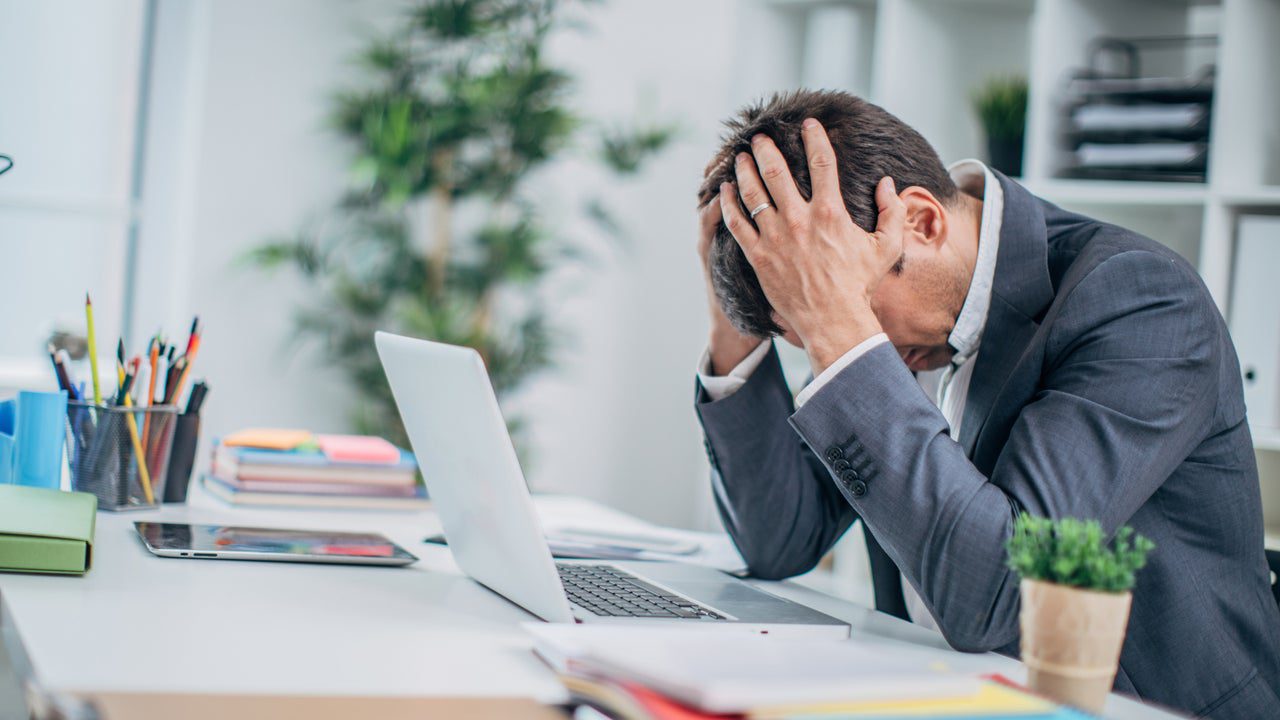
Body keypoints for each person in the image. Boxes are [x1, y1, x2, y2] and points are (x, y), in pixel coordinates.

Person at [692, 89, 1280, 718]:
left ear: (920, 222)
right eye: (807, 331)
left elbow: (997, 595)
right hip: (940, 691)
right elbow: (781, 540)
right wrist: (739, 322)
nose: (825, 345)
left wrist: (843, 326)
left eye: (832, 313)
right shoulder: (907, 311)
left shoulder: (1138, 299)